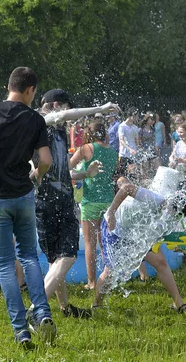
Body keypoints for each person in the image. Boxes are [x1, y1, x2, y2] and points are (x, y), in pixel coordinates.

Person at [0, 67, 56, 347]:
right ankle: (42, 313)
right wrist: (37, 176)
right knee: (29, 256)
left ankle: (21, 330)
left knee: (6, 264)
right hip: (23, 195)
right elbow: (45, 159)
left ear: (9, 86)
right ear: (30, 90)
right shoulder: (35, 119)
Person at [34, 88, 120, 320]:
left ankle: (64, 307)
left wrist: (86, 174)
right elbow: (64, 116)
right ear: (54, 105)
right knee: (68, 255)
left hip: (57, 198)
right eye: (66, 107)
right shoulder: (43, 121)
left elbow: (63, 173)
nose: (69, 114)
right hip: (49, 201)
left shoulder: (57, 132)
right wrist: (100, 109)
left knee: (56, 260)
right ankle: (36, 310)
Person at [93, 180, 186, 313]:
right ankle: (97, 305)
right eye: (171, 213)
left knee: (160, 262)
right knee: (110, 271)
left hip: (134, 234)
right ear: (169, 205)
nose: (170, 217)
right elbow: (126, 188)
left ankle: (178, 304)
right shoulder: (155, 199)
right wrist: (111, 212)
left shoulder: (171, 216)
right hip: (115, 228)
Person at [69, 122, 118, 290]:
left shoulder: (86, 149)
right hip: (109, 201)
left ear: (89, 133)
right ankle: (108, 278)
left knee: (90, 243)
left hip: (91, 202)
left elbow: (67, 167)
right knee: (105, 242)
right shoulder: (112, 151)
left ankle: (91, 282)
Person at [169, 123, 186, 197]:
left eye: (181, 132)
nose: (179, 134)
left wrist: (182, 160)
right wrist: (171, 160)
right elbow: (172, 155)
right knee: (176, 197)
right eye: (178, 132)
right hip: (178, 173)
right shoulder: (179, 143)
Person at [117, 108, 140, 179]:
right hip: (124, 154)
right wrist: (129, 149)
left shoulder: (135, 127)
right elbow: (121, 140)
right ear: (132, 115)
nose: (138, 118)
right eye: (137, 116)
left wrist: (138, 149)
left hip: (133, 154)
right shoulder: (122, 126)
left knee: (134, 174)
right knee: (122, 175)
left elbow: (137, 141)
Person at [138, 112, 160, 180]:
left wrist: (156, 150)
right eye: (151, 119)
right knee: (145, 169)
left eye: (154, 120)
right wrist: (142, 150)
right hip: (144, 151)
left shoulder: (153, 129)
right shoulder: (141, 130)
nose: (152, 121)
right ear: (146, 119)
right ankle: (145, 183)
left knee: (157, 166)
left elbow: (153, 140)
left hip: (152, 150)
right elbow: (139, 141)